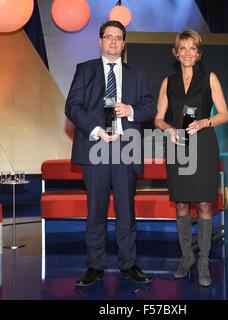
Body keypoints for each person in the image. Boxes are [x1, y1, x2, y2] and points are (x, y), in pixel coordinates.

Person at [65, 21, 156, 287]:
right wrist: (95, 129)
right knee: (96, 210)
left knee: (126, 211)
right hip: (96, 146)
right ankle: (95, 266)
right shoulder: (85, 70)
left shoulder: (137, 75)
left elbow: (149, 108)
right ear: (100, 41)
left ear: (124, 43)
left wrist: (130, 110)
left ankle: (128, 265)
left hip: (126, 148)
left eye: (119, 38)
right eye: (109, 37)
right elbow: (72, 107)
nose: (113, 42)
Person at [155, 29, 228, 286]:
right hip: (178, 146)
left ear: (198, 53)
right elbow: (158, 118)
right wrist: (169, 129)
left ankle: (204, 261)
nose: (187, 53)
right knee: (181, 204)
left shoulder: (209, 78)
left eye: (192, 48)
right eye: (183, 48)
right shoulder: (168, 81)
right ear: (176, 53)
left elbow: (224, 114)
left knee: (205, 204)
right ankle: (186, 258)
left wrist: (205, 121)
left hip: (204, 145)